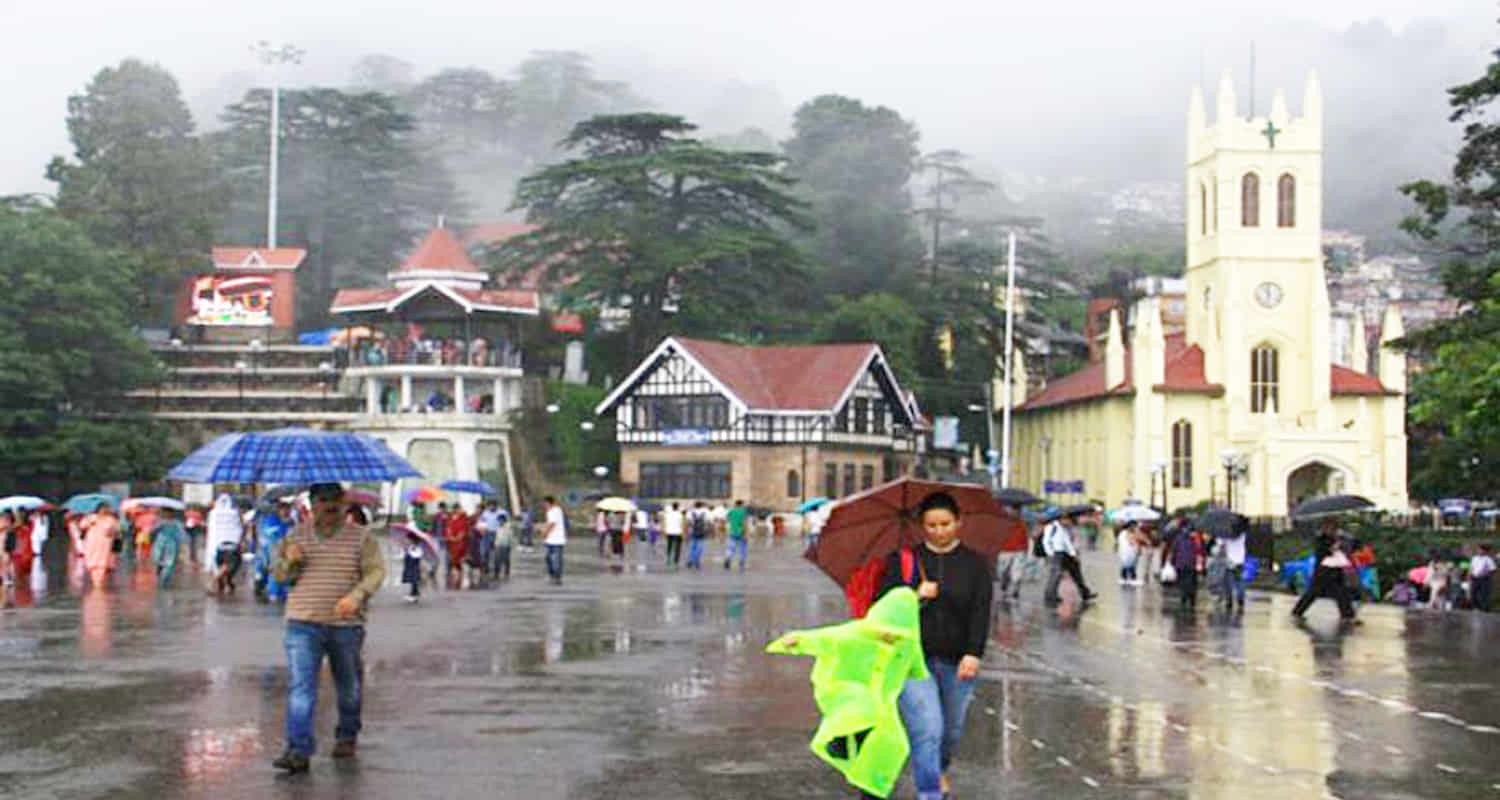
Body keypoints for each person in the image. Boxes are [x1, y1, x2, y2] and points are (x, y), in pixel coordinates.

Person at [876, 491, 993, 800]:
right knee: (927, 728)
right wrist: (914, 595)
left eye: (945, 524)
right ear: (921, 526)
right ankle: (929, 792)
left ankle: (937, 770)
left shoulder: (976, 565)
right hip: (913, 660)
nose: (939, 531)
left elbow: (981, 612)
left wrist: (973, 653)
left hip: (958, 661)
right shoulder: (903, 561)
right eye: (932, 525)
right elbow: (883, 608)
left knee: (950, 732)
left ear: (958, 522)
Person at [270, 483, 386, 774]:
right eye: (323, 501)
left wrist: (357, 596)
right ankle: (298, 749)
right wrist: (290, 560)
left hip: (346, 625)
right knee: (301, 688)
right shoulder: (294, 536)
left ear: (345, 504)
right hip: (302, 623)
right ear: (312, 504)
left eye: (336, 500)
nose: (330, 506)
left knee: (349, 686)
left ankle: (347, 733)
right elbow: (281, 576)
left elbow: (376, 572)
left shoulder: (362, 538)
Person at [1291, 518, 1358, 622]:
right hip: (1323, 571)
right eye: (1328, 527)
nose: (1331, 530)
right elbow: (1321, 553)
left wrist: (1341, 543)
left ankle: (1348, 615)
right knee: (1313, 592)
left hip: (1336, 569)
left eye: (1333, 528)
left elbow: (1352, 547)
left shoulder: (1340, 538)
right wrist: (1331, 548)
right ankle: (1297, 611)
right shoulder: (1321, 539)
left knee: (1341, 592)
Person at [1042, 508, 1096, 605]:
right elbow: (1046, 541)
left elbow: (1067, 543)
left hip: (1065, 554)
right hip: (1056, 553)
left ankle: (1085, 593)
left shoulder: (1064, 529)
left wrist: (1073, 554)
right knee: (1055, 575)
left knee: (1077, 573)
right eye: (1066, 520)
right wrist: (1050, 553)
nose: (1068, 522)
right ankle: (1050, 595)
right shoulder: (1051, 527)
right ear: (1061, 519)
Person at [83, 504, 119, 589]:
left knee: (102, 565)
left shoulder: (111, 520)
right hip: (91, 544)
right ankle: (97, 585)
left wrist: (112, 531)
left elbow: (117, 531)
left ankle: (98, 586)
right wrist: (89, 522)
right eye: (102, 509)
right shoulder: (91, 517)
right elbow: (82, 526)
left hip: (105, 545)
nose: (104, 511)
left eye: (106, 509)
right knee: (93, 565)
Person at [1168, 522, 1202, 610]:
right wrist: (1200, 564)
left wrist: (1172, 562)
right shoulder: (1196, 538)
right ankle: (1191, 599)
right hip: (1192, 564)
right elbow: (1200, 551)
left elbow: (1174, 550)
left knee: (1182, 582)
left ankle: (1184, 597)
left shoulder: (1178, 538)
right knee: (1192, 582)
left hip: (1180, 564)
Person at [150, 508, 187, 589]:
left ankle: (163, 583)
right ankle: (161, 579)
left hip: (171, 546)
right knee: (158, 562)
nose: (166, 514)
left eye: (168, 512)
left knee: (169, 565)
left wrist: (183, 547)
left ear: (172, 513)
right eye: (165, 512)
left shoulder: (177, 523)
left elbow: (182, 535)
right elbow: (152, 531)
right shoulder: (160, 522)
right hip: (160, 545)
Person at [1217, 522, 1249, 612]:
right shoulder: (1242, 535)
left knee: (1228, 582)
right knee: (1240, 581)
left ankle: (1229, 600)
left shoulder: (1226, 535)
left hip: (1229, 561)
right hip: (1240, 561)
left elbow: (1220, 544)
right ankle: (1240, 598)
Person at [541, 496, 566, 585]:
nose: (543, 505)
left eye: (544, 503)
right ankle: (552, 575)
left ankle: (557, 577)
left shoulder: (554, 511)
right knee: (549, 558)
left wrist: (545, 533)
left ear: (548, 503)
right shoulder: (552, 511)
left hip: (557, 540)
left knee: (556, 560)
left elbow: (552, 524)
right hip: (550, 540)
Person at [723, 499, 750, 571]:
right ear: (741, 505)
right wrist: (746, 533)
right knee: (743, 549)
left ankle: (728, 559)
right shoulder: (743, 512)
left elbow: (727, 519)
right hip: (741, 532)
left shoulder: (731, 511)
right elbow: (744, 523)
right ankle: (741, 561)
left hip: (732, 532)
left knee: (731, 547)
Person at [1469, 543, 1495, 612]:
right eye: (1478, 550)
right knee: (1473, 593)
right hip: (1475, 578)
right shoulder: (1474, 558)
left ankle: (1484, 608)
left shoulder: (1488, 559)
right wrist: (1470, 575)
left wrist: (1486, 573)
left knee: (1484, 594)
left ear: (1484, 551)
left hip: (1484, 579)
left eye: (1480, 550)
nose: (1479, 551)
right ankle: (1475, 607)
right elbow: (1471, 568)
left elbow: (1493, 569)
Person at [686, 501, 711, 569]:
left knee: (692, 547)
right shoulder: (706, 512)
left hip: (692, 531)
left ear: (695, 505)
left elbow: (688, 522)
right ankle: (696, 560)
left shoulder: (690, 512)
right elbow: (708, 522)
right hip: (702, 531)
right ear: (701, 505)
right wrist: (708, 531)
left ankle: (691, 560)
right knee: (699, 547)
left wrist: (686, 532)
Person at [401, 532, 424, 603]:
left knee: (414, 580)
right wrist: (406, 549)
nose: (406, 540)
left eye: (407, 539)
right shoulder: (410, 547)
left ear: (412, 540)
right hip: (410, 566)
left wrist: (409, 551)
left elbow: (417, 555)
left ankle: (414, 594)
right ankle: (414, 594)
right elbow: (404, 555)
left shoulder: (416, 547)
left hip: (414, 567)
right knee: (412, 581)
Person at [662, 502, 685, 568]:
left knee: (669, 545)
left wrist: (664, 531)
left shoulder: (668, 514)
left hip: (669, 531)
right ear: (677, 507)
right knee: (678, 547)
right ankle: (676, 560)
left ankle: (668, 557)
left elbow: (665, 522)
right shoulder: (680, 514)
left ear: (672, 507)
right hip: (678, 532)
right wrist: (683, 533)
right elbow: (682, 524)